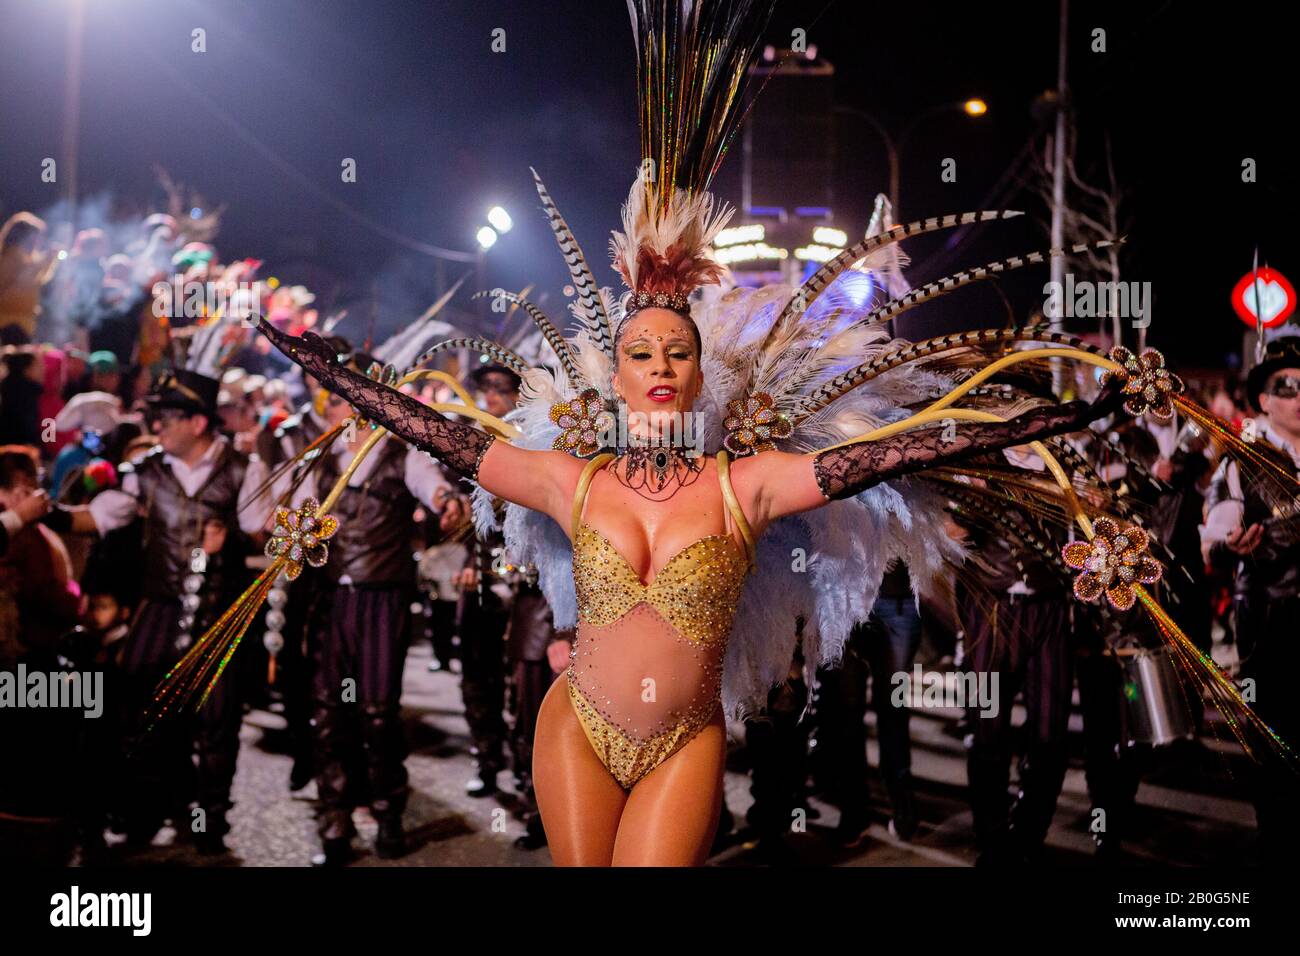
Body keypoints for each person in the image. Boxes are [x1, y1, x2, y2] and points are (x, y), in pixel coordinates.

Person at [47, 368, 271, 853]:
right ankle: (152, 807)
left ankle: (210, 821)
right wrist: (44, 513)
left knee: (217, 721)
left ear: (197, 422)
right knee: (144, 715)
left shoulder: (243, 468)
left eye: (167, 417)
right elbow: (101, 518)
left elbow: (265, 532)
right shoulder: (145, 471)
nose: (158, 427)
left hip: (219, 613)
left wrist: (231, 537)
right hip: (161, 607)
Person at [292, 353, 451, 866]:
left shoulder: (402, 454)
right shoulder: (319, 459)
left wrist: (446, 500)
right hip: (331, 600)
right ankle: (334, 820)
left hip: (383, 599)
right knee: (328, 714)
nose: (345, 410)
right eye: (338, 399)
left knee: (379, 713)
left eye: (354, 398)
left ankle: (387, 812)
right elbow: (280, 522)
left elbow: (433, 488)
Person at [1201, 335, 1300, 864]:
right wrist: (1226, 542)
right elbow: (1215, 533)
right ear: (1263, 399)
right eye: (1285, 387)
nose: (1298, 396)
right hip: (1268, 620)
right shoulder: (1240, 463)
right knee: (1272, 740)